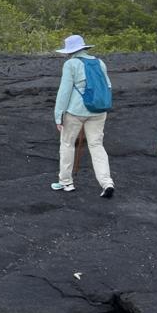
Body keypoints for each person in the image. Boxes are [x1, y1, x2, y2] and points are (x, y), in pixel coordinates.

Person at [52, 33, 114, 197]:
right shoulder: (99, 62)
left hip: (76, 111)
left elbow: (64, 92)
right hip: (99, 111)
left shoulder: (70, 64)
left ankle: (66, 182)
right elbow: (108, 85)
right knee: (96, 145)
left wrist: (58, 115)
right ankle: (106, 182)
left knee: (67, 144)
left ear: (69, 51)